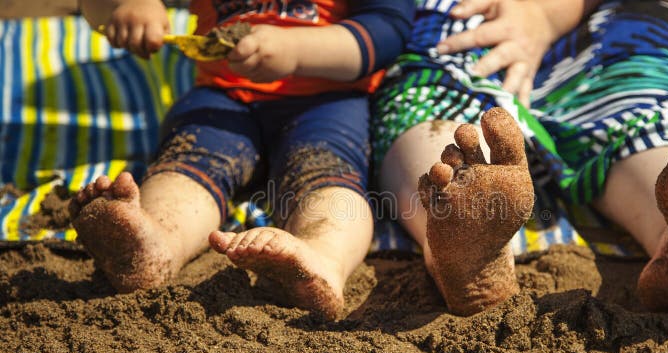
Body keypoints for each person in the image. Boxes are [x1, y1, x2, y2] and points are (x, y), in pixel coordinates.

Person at [371, 0, 668, 315]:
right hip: (473, 17)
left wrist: (546, 12)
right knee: (438, 63)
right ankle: (459, 242)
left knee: (647, 63)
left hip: (613, 14)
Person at [70, 0, 413, 320]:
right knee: (189, 162)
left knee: (326, 175)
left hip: (327, 98)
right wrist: (125, 6)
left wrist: (296, 50)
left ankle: (324, 259)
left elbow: (387, 28)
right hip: (224, 93)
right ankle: (156, 243)